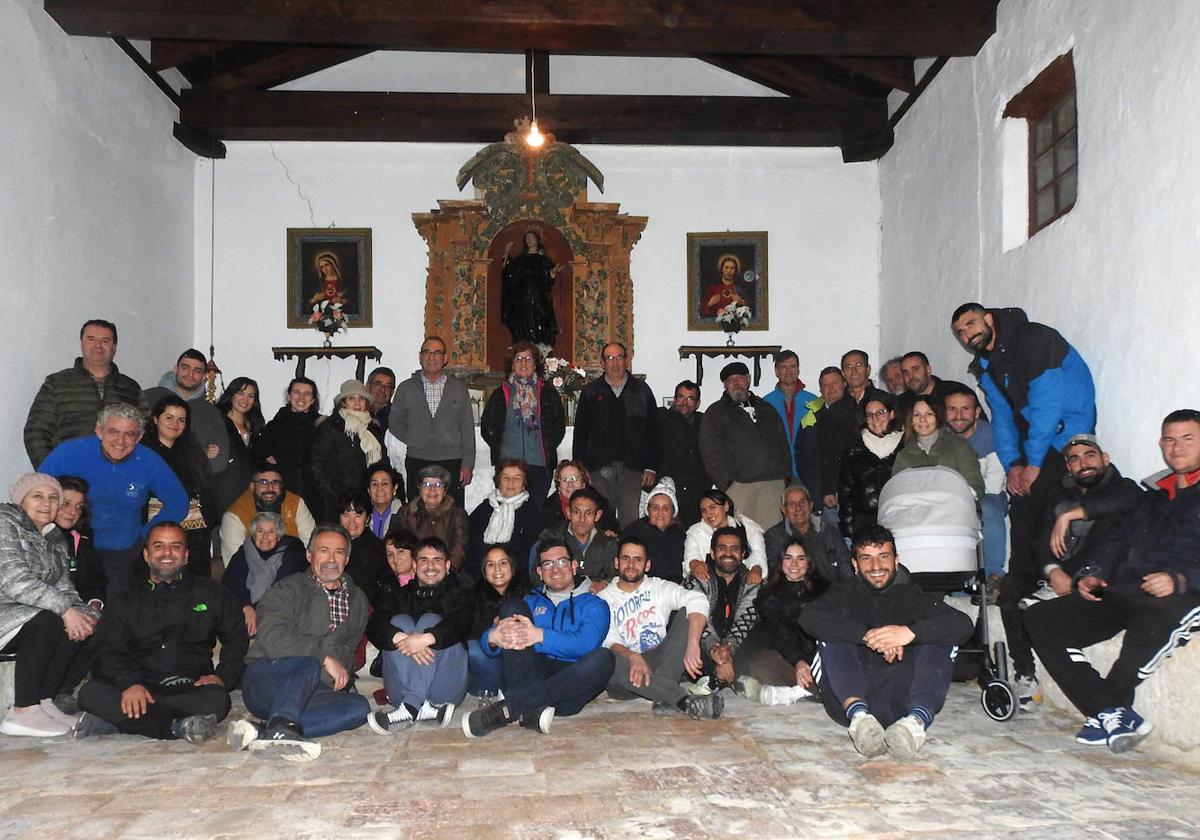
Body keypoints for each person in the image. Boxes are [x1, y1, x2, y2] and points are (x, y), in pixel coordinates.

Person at [1025, 413, 1200, 755]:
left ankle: (1110, 711)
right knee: (1039, 618)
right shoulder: (1153, 497)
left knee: (1134, 654)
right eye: (1169, 439)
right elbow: (1116, 542)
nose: (1176, 447)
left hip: (1181, 595)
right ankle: (1112, 712)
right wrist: (1092, 573)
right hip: (1127, 589)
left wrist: (1179, 580)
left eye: (1187, 439)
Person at [950, 303, 1096, 651]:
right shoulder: (986, 365)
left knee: (1047, 502)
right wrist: (1014, 463)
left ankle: (1048, 580)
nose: (967, 334)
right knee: (1023, 503)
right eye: (959, 332)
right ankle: (1023, 583)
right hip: (1035, 441)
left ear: (988, 318)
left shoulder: (1034, 340)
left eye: (970, 324)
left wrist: (1032, 464)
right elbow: (1002, 417)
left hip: (1067, 436)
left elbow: (1048, 405)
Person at [800, 525, 974, 760]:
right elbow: (809, 618)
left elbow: (962, 624)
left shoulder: (913, 595)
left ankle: (915, 723)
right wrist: (869, 636)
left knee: (940, 636)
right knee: (830, 634)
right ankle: (860, 719)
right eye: (866, 559)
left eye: (884, 557)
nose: (876, 567)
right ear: (854, 564)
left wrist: (908, 633)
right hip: (849, 698)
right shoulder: (842, 594)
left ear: (896, 560)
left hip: (902, 698)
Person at [1001, 434, 1143, 710]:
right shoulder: (1059, 495)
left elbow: (1123, 502)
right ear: (1068, 467)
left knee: (1032, 611)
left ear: (1105, 459)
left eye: (1090, 455)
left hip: (1096, 577)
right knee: (1011, 592)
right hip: (1059, 574)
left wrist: (1071, 515)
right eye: (1074, 459)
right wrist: (1053, 571)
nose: (1083, 463)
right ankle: (1025, 674)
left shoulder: (1123, 488)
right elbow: (1041, 541)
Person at [74, 522, 248, 743]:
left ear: (186, 555)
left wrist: (222, 676)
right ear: (147, 555)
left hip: (190, 687)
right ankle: (176, 726)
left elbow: (236, 636)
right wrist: (129, 683)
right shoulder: (126, 597)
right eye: (159, 546)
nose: (167, 553)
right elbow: (106, 648)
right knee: (90, 694)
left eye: (175, 546)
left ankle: (118, 723)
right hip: (139, 685)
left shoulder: (209, 592)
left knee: (217, 700)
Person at [231, 525, 370, 761]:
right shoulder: (287, 589)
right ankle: (282, 723)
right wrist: (323, 658)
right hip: (268, 679)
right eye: (324, 551)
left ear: (347, 559)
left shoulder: (357, 599)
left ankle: (265, 731)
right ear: (309, 555)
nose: (331, 559)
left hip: (315, 691)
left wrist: (344, 677)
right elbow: (272, 636)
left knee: (358, 708)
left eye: (339, 552)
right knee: (309, 663)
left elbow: (350, 646)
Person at [462, 539, 615, 738]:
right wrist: (491, 637)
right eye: (548, 564)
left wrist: (539, 635)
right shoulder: (528, 601)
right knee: (511, 607)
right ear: (540, 573)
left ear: (574, 566)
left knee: (605, 658)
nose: (555, 569)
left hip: (571, 682)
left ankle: (510, 708)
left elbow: (585, 644)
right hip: (530, 673)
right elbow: (488, 639)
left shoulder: (594, 604)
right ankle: (529, 710)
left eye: (562, 561)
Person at [40, 403, 188, 597]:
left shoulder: (148, 461)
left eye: (130, 434)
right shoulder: (70, 453)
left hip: (122, 548)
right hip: (71, 542)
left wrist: (146, 534)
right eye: (113, 432)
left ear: (139, 438)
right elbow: (39, 490)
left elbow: (178, 503)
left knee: (114, 606)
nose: (121, 441)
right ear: (99, 431)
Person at [0, 474, 97, 737]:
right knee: (51, 619)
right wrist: (66, 611)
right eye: (37, 496)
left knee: (78, 621)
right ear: (21, 500)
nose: (47, 503)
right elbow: (13, 580)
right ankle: (22, 711)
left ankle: (43, 701)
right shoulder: (4, 523)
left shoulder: (54, 538)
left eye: (54, 497)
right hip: (6, 614)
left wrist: (83, 614)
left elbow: (65, 588)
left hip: (25, 614)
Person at [599, 536, 722, 719]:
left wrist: (693, 642)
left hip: (660, 664)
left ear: (647, 565)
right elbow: (609, 638)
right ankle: (681, 699)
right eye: (626, 558)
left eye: (638, 559)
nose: (631, 564)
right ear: (617, 562)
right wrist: (632, 656)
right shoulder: (603, 598)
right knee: (604, 658)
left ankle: (662, 692)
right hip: (627, 676)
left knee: (688, 612)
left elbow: (698, 599)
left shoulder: (658, 587)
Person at [366, 537, 472, 733]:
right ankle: (416, 705)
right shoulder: (400, 594)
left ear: (447, 565)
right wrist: (402, 639)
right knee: (399, 623)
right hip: (401, 690)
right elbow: (374, 624)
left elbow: (461, 622)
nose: (430, 566)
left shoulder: (460, 594)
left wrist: (425, 639)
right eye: (423, 560)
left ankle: (411, 706)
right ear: (414, 565)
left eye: (437, 560)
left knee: (430, 621)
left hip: (444, 690)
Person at [24, 319, 143, 468]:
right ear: (82, 343)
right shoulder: (57, 383)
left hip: (119, 478)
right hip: (71, 478)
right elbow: (36, 432)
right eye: (91, 339)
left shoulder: (130, 387)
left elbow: (143, 433)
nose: (98, 346)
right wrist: (52, 475)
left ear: (114, 347)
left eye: (105, 340)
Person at [572, 342, 661, 528]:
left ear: (626, 360)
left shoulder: (642, 391)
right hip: (598, 468)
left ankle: (629, 556)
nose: (615, 363)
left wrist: (651, 467)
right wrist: (581, 467)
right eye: (610, 358)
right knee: (602, 518)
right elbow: (581, 433)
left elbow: (654, 431)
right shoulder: (591, 392)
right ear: (603, 363)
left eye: (619, 357)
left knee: (630, 519)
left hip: (633, 467)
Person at [699, 362, 792, 529]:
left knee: (772, 538)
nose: (736, 383)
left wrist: (785, 478)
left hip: (773, 485)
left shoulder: (767, 409)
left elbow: (782, 444)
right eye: (730, 380)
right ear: (725, 385)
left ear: (748, 380)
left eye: (740, 378)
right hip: (739, 487)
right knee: (740, 537)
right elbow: (710, 451)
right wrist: (727, 484)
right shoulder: (716, 412)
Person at [390, 336, 476, 506]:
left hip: (452, 461)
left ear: (445, 358)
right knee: (417, 512)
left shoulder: (458, 388)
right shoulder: (406, 388)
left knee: (451, 513)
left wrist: (468, 464)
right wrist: (415, 439)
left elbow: (467, 429)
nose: (432, 357)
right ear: (420, 357)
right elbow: (395, 422)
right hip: (417, 459)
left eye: (437, 352)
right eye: (427, 352)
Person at [480, 341, 566, 503]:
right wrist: (501, 451)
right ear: (512, 365)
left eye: (528, 358)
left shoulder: (547, 392)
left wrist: (547, 447)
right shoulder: (501, 393)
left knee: (535, 513)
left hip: (539, 464)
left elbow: (558, 427)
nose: (523, 363)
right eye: (518, 359)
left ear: (535, 365)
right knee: (510, 512)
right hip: (509, 467)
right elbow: (487, 427)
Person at [142, 394, 217, 578]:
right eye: (169, 417)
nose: (175, 424)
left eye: (181, 420)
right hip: (157, 527)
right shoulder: (142, 452)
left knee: (195, 581)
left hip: (194, 529)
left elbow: (205, 488)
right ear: (155, 419)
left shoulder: (193, 451)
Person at [943, 384, 1008, 587]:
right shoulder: (940, 437)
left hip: (987, 495)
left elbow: (994, 482)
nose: (958, 415)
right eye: (952, 409)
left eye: (965, 409)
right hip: (954, 498)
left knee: (988, 507)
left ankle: (993, 575)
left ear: (977, 412)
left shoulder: (991, 435)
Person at [751, 539, 828, 705]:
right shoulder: (768, 595)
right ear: (780, 562)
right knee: (761, 661)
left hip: (820, 658)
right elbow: (781, 632)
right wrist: (798, 661)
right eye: (788, 558)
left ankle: (799, 692)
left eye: (800, 558)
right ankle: (816, 691)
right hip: (789, 659)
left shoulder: (824, 592)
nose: (794, 564)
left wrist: (810, 661)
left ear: (809, 562)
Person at [684, 527, 761, 688]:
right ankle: (721, 676)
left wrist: (727, 652)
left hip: (736, 648)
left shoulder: (751, 581)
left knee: (763, 627)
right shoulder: (698, 578)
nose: (728, 554)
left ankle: (719, 678)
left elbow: (745, 622)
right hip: (704, 648)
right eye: (722, 548)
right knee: (684, 627)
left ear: (742, 555)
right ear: (712, 553)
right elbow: (698, 619)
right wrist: (714, 651)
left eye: (734, 549)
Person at [821, 352, 890, 520]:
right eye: (848, 367)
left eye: (858, 365)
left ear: (868, 369)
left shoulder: (885, 401)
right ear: (843, 373)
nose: (853, 371)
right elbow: (828, 453)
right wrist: (828, 489)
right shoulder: (836, 410)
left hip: (881, 484)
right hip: (846, 488)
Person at [307, 379, 384, 523]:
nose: (357, 403)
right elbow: (317, 466)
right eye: (352, 398)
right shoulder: (329, 428)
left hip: (364, 500)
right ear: (343, 402)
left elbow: (379, 466)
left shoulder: (373, 430)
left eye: (361, 399)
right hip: (333, 502)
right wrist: (336, 496)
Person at [141, 348, 228, 475]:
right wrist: (200, 454)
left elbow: (219, 460)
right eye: (185, 367)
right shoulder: (149, 398)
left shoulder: (211, 412)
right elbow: (132, 438)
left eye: (197, 371)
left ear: (204, 376)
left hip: (191, 484)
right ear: (175, 369)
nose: (190, 374)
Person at [221, 511, 308, 636]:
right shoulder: (245, 551)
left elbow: (283, 588)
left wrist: (257, 611)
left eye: (271, 532)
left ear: (278, 536)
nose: (265, 536)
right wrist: (245, 607)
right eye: (260, 531)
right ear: (254, 534)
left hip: (283, 609)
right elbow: (228, 583)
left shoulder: (293, 550)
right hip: (245, 611)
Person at [218, 463, 316, 567]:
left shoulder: (296, 504)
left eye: (275, 483)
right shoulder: (235, 516)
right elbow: (235, 564)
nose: (270, 488)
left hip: (294, 570)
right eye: (263, 482)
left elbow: (312, 547)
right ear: (252, 486)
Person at [891, 395, 985, 502]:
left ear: (938, 417)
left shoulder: (958, 447)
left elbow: (975, 484)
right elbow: (896, 490)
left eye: (929, 414)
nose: (923, 420)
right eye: (917, 415)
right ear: (911, 421)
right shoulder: (904, 456)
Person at [466, 459, 544, 583]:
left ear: (524, 484)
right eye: (506, 478)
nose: (511, 483)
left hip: (517, 579)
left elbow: (528, 553)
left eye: (517, 478)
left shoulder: (533, 512)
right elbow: (471, 544)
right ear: (498, 482)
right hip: (480, 577)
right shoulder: (484, 508)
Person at [837, 395, 903, 541]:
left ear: (891, 414)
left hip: (898, 520)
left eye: (880, 413)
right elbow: (845, 493)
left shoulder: (905, 448)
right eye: (869, 415)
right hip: (864, 522)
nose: (875, 419)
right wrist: (849, 529)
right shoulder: (854, 451)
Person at [763, 483, 852, 584]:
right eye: (792, 504)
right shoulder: (774, 537)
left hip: (831, 592)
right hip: (794, 593)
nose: (798, 508)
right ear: (784, 510)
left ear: (810, 506)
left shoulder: (829, 531)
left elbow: (845, 568)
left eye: (803, 503)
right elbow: (775, 576)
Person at [467, 546, 526, 697]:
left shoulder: (528, 593)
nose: (497, 569)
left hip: (521, 662)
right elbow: (471, 633)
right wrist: (493, 631)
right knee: (472, 648)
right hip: (492, 663)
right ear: (484, 572)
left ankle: (501, 690)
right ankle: (502, 690)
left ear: (512, 567)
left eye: (503, 563)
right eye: (491, 564)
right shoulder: (474, 596)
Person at [763, 350, 823, 497]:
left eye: (792, 366)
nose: (788, 371)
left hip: (808, 472)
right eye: (783, 367)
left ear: (798, 369)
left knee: (808, 517)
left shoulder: (813, 401)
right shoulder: (765, 403)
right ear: (776, 371)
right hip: (777, 476)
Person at [256, 377, 323, 504]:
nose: (301, 398)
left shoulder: (323, 426)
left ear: (313, 400)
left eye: (307, 394)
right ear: (289, 396)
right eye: (297, 392)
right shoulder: (274, 426)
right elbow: (261, 455)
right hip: (282, 494)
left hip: (315, 495)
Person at [536, 487, 618, 590]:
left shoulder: (608, 542)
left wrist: (604, 584)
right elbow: (536, 575)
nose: (582, 519)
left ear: (597, 515)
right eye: (576, 512)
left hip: (597, 599)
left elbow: (617, 574)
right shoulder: (550, 537)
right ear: (568, 513)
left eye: (588, 513)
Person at [393, 465, 469, 574]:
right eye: (426, 484)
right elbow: (400, 547)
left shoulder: (457, 514)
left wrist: (444, 572)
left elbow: (460, 549)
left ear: (445, 490)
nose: (432, 489)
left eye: (438, 485)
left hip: (448, 574)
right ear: (419, 489)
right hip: (413, 573)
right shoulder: (406, 513)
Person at [657, 380, 713, 528]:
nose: (684, 402)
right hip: (668, 488)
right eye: (681, 397)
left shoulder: (705, 422)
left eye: (690, 398)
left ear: (698, 403)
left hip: (697, 490)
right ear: (674, 399)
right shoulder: (659, 418)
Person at [682, 490, 767, 582]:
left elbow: (758, 554)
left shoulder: (749, 528)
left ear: (726, 506)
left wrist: (756, 569)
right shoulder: (695, 532)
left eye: (712, 507)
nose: (708, 513)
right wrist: (695, 565)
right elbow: (691, 555)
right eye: (704, 510)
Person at [211, 377, 265, 516]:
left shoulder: (256, 426)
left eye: (251, 396)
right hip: (221, 493)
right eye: (241, 393)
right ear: (231, 394)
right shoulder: (217, 421)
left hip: (249, 495)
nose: (245, 400)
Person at [500, 229, 562, 348]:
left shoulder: (543, 260)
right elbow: (509, 274)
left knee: (540, 321)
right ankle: (524, 346)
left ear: (537, 240)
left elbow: (548, 279)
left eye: (532, 237)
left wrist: (552, 273)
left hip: (539, 299)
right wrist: (507, 254)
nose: (529, 240)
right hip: (522, 299)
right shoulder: (520, 260)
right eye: (527, 238)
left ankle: (540, 346)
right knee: (523, 323)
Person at [55, 476, 106, 613]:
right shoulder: (34, 537)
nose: (73, 512)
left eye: (79, 506)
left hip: (78, 610)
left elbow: (93, 579)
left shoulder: (81, 539)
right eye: (66, 503)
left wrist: (95, 602)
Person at [623, 478, 687, 585]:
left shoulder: (680, 535)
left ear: (673, 512)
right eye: (655, 508)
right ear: (648, 510)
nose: (660, 513)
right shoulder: (633, 530)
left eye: (665, 508)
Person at [539, 459, 619, 535]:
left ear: (583, 484)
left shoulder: (600, 503)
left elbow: (614, 531)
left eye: (575, 479)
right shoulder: (547, 509)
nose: (570, 485)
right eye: (565, 480)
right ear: (558, 486)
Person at [893, 350, 975, 420]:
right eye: (905, 372)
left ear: (928, 370)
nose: (910, 376)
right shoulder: (900, 403)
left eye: (915, 369)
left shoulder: (955, 392)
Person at [335, 492, 387, 602]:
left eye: (358, 516)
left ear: (367, 519)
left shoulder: (377, 550)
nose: (351, 521)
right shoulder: (330, 543)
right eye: (346, 515)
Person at [815, 366, 848, 517]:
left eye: (835, 383)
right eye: (826, 385)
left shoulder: (857, 412)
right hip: (826, 493)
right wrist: (826, 490)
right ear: (820, 390)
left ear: (844, 384)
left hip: (849, 488)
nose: (831, 388)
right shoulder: (813, 416)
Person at [700, 253, 750, 318]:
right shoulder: (712, 288)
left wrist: (741, 302)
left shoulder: (741, 288)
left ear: (735, 270)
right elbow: (701, 311)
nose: (729, 271)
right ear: (722, 269)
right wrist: (710, 303)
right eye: (726, 267)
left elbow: (751, 310)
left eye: (732, 268)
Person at [366, 464, 405, 539]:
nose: (379, 488)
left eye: (385, 483)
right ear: (369, 491)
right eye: (374, 484)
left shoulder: (406, 515)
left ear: (394, 488)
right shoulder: (361, 515)